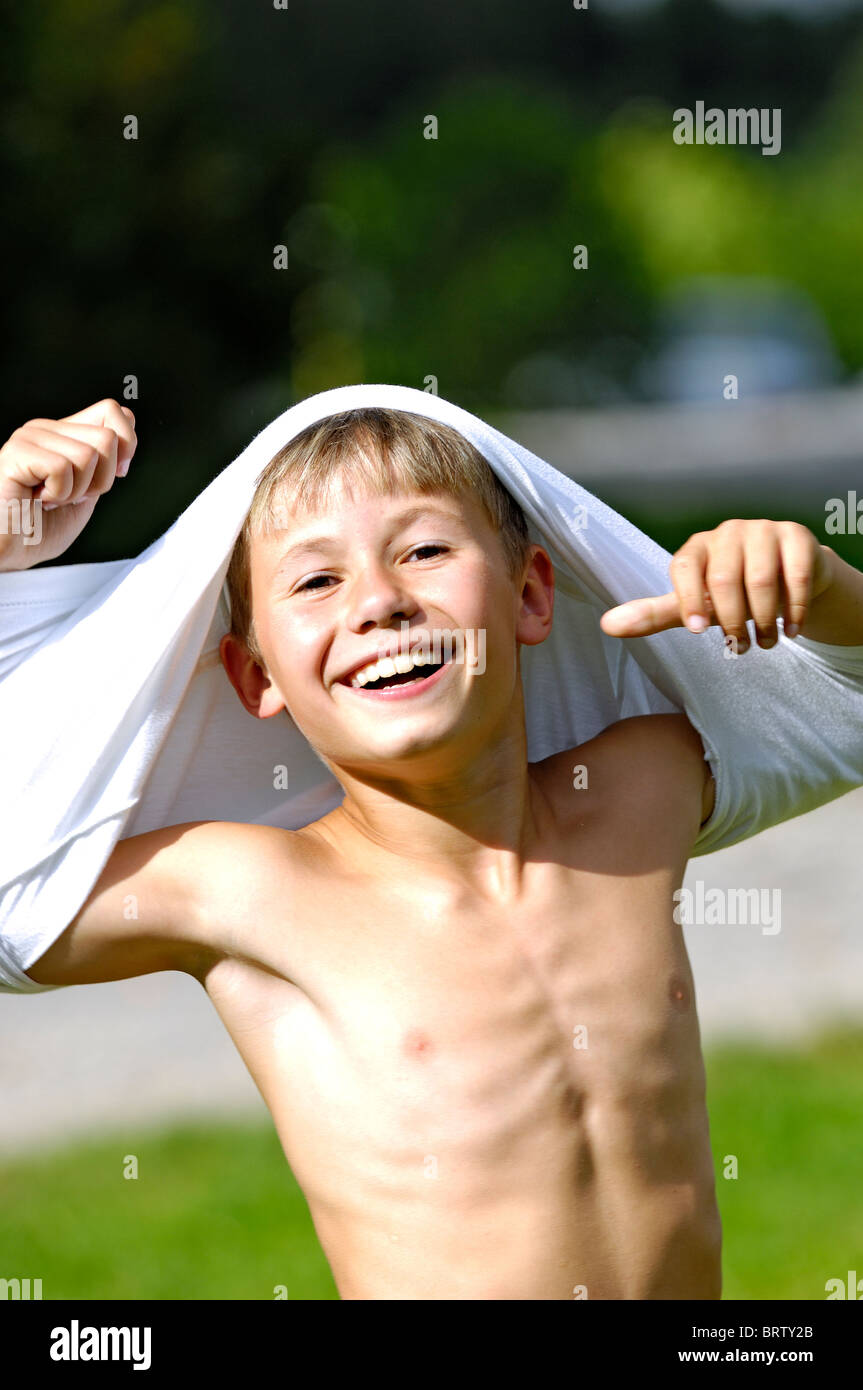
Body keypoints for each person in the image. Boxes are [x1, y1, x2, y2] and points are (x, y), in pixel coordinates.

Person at [3, 397, 863, 1299]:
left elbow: (844, 713)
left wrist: (822, 586)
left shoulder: (636, 790)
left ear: (531, 594)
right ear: (256, 677)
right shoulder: (251, 890)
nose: (379, 601)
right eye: (314, 581)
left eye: (423, 550)